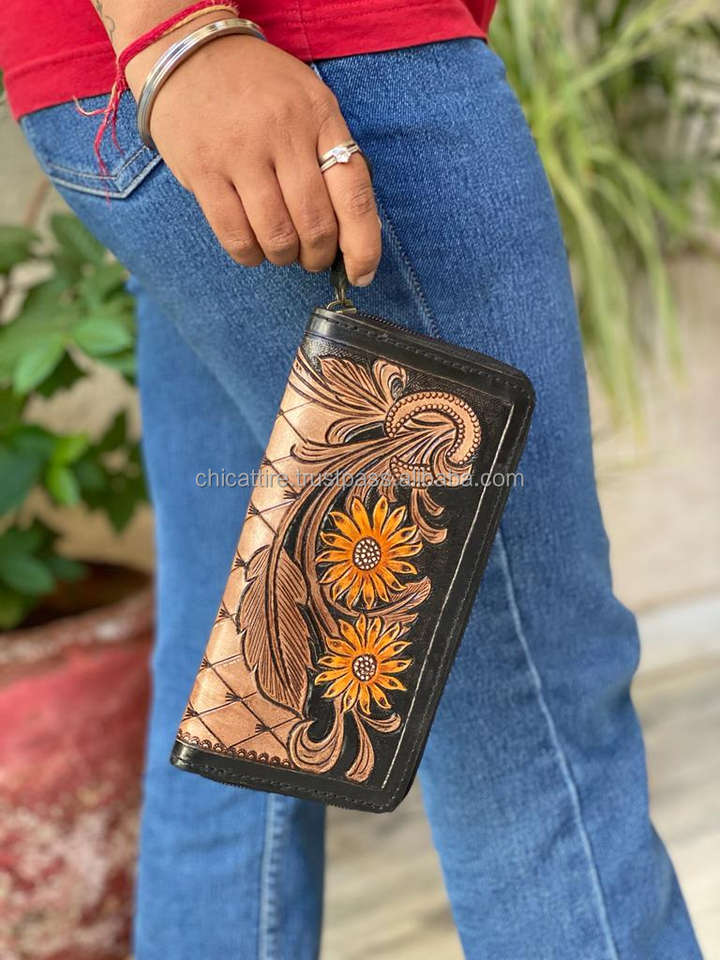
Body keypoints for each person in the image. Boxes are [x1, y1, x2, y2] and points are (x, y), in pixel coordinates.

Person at [0, 2, 702, 957]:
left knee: (241, 699)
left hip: (169, 96)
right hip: (305, 78)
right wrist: (177, 31)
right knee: (530, 713)